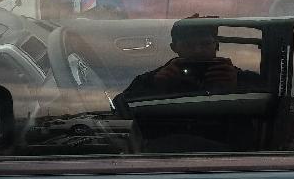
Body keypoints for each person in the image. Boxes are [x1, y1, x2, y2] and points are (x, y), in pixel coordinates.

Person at [114, 18, 265, 152]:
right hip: (160, 160)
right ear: (174, 48)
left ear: (216, 45)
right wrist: (156, 87)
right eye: (188, 44)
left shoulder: (239, 78)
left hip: (231, 160)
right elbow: (120, 109)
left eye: (205, 43)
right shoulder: (153, 80)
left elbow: (269, 111)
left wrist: (236, 87)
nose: (198, 50)